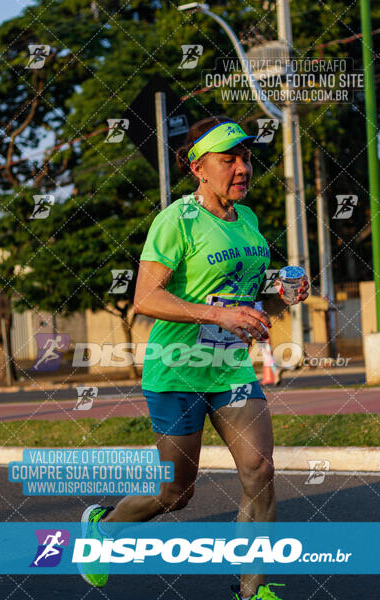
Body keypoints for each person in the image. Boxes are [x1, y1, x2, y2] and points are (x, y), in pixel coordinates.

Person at [79, 116, 309, 599]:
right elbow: (145, 298)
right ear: (198, 167)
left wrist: (282, 289)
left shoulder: (246, 220)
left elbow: (240, 295)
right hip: (177, 370)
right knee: (176, 494)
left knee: (259, 470)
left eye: (245, 158)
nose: (242, 168)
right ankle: (102, 529)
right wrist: (218, 316)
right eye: (229, 160)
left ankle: (252, 589)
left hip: (230, 370)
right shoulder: (175, 220)